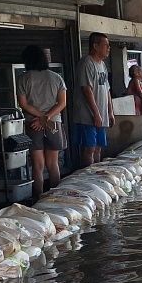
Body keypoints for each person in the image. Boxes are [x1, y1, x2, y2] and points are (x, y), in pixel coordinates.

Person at [17, 45, 67, 198]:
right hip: (54, 124)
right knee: (53, 164)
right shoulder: (56, 77)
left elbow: (23, 104)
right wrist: (47, 118)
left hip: (33, 124)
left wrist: (40, 118)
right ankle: (56, 199)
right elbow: (62, 103)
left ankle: (38, 200)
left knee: (38, 166)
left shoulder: (24, 78)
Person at [72, 32, 115, 167]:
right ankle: (87, 177)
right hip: (87, 115)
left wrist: (110, 111)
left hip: (101, 114)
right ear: (95, 46)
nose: (108, 48)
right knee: (89, 148)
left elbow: (107, 90)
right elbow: (86, 90)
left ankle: (96, 174)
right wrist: (96, 113)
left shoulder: (102, 64)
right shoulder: (87, 63)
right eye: (106, 45)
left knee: (98, 147)